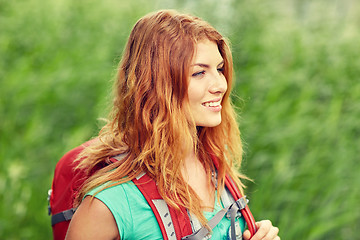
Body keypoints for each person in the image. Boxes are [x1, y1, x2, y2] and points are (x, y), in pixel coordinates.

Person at [65, 9, 280, 240]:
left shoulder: (216, 168)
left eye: (218, 69)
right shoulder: (110, 203)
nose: (220, 85)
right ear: (157, 85)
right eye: (199, 73)